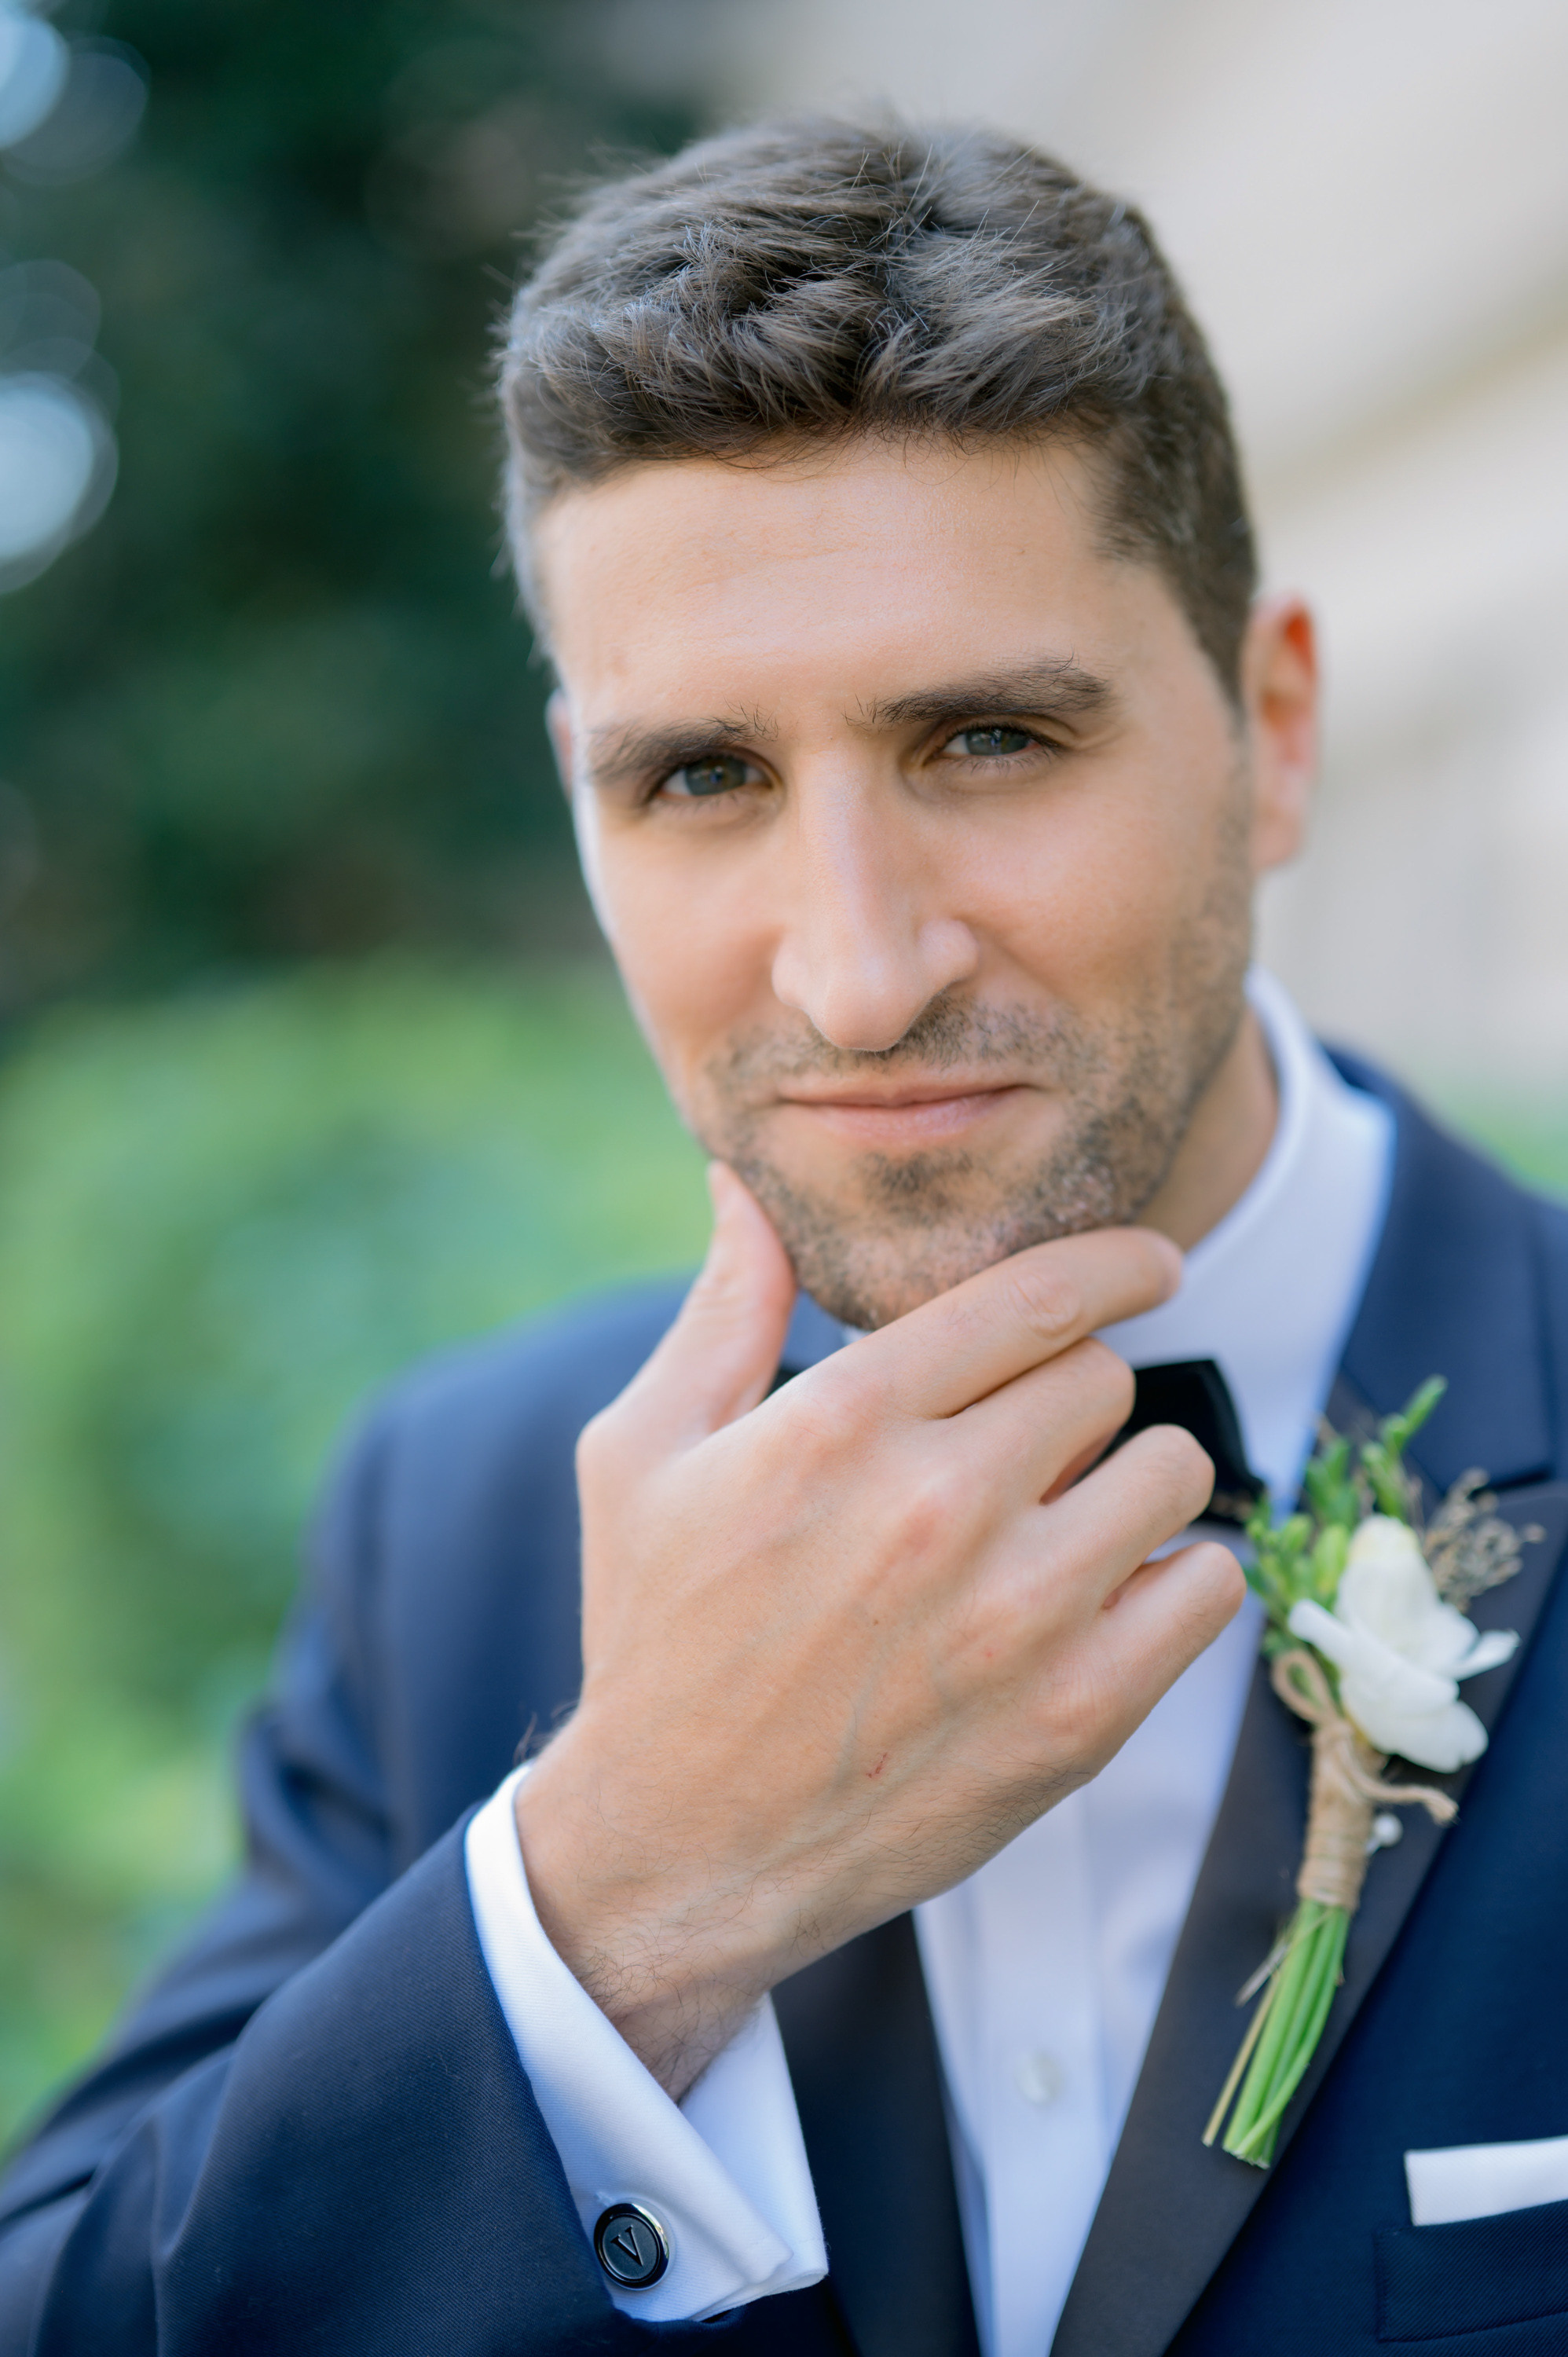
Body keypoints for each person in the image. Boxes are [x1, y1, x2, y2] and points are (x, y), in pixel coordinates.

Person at [4, 115, 1568, 2357]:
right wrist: (623, 1897)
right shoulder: (450, 1520)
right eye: (702, 779)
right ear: (580, 794)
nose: (851, 973)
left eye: (990, 738)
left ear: (1274, 727)